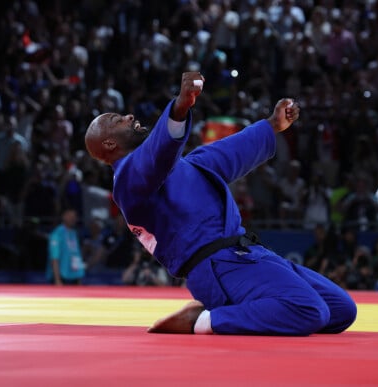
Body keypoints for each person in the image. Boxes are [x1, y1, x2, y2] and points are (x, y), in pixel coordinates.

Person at [84, 72, 357, 335]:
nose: (129, 116)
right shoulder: (128, 182)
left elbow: (230, 152)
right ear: (109, 144)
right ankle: (202, 320)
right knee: (309, 310)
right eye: (117, 119)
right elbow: (157, 155)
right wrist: (179, 109)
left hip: (246, 254)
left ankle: (231, 308)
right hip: (216, 266)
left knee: (341, 309)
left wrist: (272, 125)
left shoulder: (183, 167)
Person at [46, 207, 86, 285]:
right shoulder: (57, 234)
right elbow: (54, 258)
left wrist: (79, 277)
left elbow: (77, 256)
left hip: (74, 276)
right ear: (63, 216)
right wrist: (57, 280)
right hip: (61, 277)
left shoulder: (74, 233)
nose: (73, 219)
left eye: (74, 217)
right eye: (70, 216)